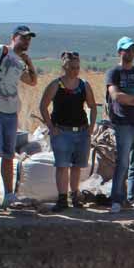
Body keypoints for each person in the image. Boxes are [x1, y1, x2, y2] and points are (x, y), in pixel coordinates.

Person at [0, 26, 38, 209]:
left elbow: (32, 81)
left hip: (11, 112)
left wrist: (29, 63)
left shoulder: (20, 61)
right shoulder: (1, 51)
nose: (26, 42)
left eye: (29, 39)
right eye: (23, 38)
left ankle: (9, 195)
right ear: (14, 38)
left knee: (8, 155)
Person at [40, 52, 98, 212]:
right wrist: (51, 127)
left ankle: (74, 196)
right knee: (62, 166)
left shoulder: (83, 85)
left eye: (77, 67)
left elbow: (93, 106)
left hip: (81, 131)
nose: (75, 71)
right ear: (64, 67)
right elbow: (43, 106)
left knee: (77, 166)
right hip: (62, 131)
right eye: (72, 67)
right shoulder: (55, 85)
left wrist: (92, 126)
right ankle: (62, 199)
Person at [105, 37, 134, 213]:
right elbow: (116, 96)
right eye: (126, 50)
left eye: (132, 49)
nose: (130, 53)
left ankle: (132, 198)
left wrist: (130, 100)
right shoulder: (113, 73)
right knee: (123, 162)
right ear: (120, 52)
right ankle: (117, 198)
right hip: (123, 122)